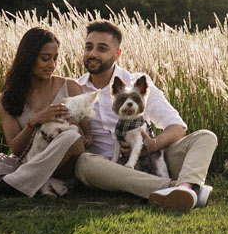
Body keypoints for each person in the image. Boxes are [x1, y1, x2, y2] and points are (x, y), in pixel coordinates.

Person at [60, 20, 218, 212]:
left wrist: (152, 146)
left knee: (205, 137)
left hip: (151, 160)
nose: (92, 54)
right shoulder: (75, 89)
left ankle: (182, 189)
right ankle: (181, 188)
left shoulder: (136, 83)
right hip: (106, 168)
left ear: (117, 54)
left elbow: (177, 126)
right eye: (88, 47)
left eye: (102, 48)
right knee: (83, 163)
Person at [0, 26, 90, 198]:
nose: (52, 65)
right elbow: (16, 148)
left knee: (71, 137)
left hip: (60, 166)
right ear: (28, 58)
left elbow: (87, 139)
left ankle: (4, 185)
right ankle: (25, 182)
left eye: (55, 58)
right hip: (23, 162)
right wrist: (35, 121)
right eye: (45, 58)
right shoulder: (8, 98)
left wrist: (73, 126)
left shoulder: (71, 87)